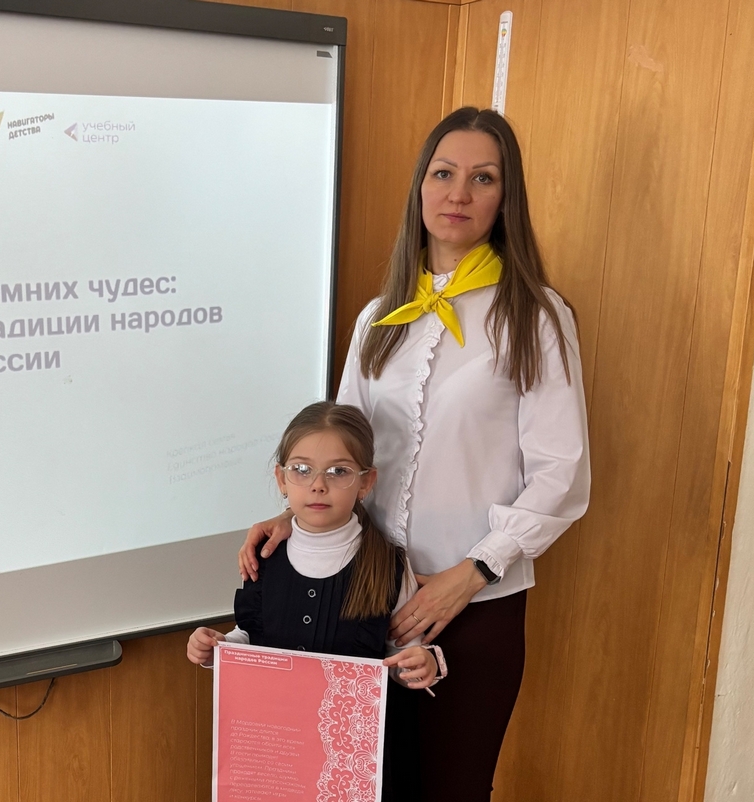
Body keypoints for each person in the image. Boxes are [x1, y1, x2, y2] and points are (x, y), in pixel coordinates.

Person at [238, 107, 590, 801]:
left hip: (476, 606)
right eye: (443, 173)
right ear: (420, 188)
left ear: (506, 198)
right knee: (355, 787)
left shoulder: (536, 316)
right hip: (362, 592)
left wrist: (473, 572)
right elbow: (339, 451)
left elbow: (561, 473)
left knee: (453, 788)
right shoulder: (379, 319)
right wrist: (294, 516)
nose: (458, 193)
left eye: (482, 178)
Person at [188, 401, 447, 801]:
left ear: (366, 482)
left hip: (352, 768)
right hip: (277, 757)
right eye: (302, 470)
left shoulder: (388, 564)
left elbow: (402, 655)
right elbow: (250, 637)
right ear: (281, 478)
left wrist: (421, 663)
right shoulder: (262, 557)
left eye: (338, 471)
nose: (318, 485)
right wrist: (216, 649)